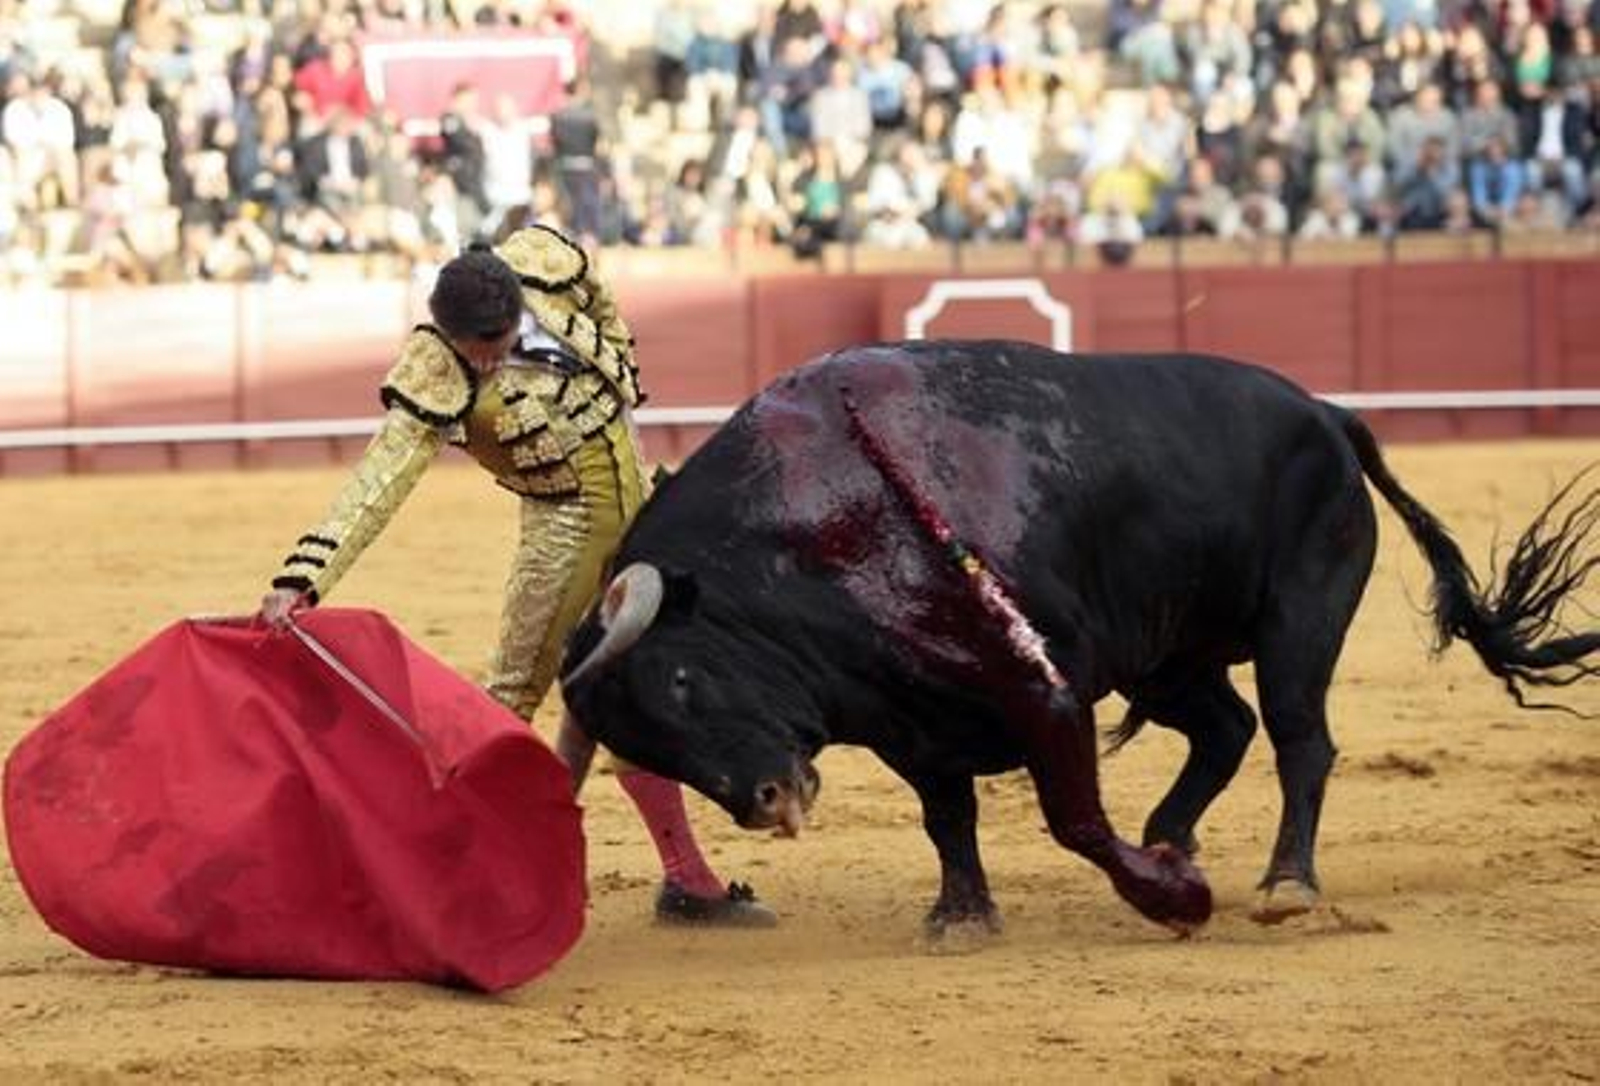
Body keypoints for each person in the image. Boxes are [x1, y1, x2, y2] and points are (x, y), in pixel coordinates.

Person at [259, 224, 776, 928]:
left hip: (648, 516)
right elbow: (377, 485)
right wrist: (305, 575)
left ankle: (687, 879)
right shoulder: (436, 370)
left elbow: (598, 300)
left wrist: (619, 353)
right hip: (561, 533)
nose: (494, 362)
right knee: (509, 703)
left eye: (501, 342)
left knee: (645, 690)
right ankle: (439, 875)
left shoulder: (544, 261)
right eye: (481, 352)